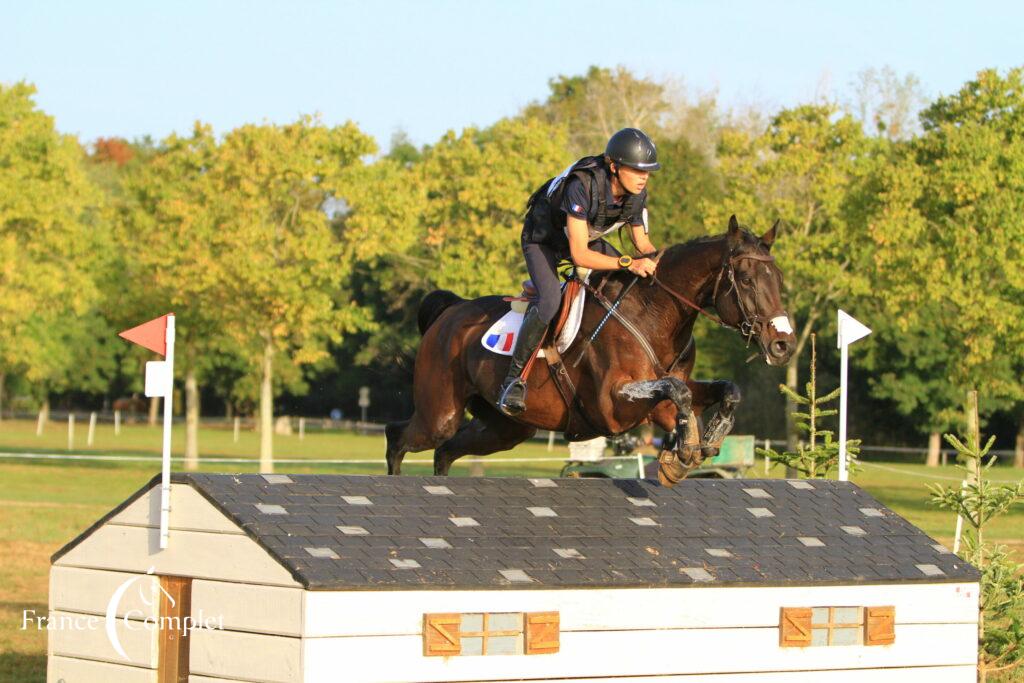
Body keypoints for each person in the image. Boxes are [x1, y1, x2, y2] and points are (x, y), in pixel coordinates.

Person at [497, 128, 661, 417]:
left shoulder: (637, 193)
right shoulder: (582, 185)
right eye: (636, 169)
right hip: (544, 241)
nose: (643, 176)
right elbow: (580, 255)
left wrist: (660, 266)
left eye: (646, 171)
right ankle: (513, 380)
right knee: (549, 302)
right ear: (614, 167)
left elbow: (642, 243)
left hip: (585, 238)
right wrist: (628, 263)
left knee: (628, 284)